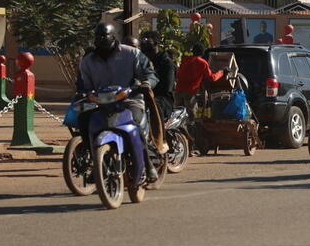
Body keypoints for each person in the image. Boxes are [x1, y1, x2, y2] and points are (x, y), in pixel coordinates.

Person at [79, 22, 160, 182]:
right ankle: (96, 162)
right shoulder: (87, 61)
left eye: (104, 36)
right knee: (83, 120)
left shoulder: (132, 54)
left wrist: (146, 84)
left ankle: (148, 164)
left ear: (113, 36)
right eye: (97, 37)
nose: (100, 40)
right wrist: (84, 92)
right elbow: (83, 84)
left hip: (129, 100)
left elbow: (149, 74)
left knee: (135, 124)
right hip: (100, 103)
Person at [174, 44, 222, 119]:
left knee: (176, 115)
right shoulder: (202, 63)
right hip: (190, 92)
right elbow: (212, 78)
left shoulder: (185, 59)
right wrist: (221, 72)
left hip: (178, 90)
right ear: (202, 53)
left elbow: (178, 73)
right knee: (191, 117)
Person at [138, 31, 177, 118]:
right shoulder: (139, 61)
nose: (143, 43)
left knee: (150, 109)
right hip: (140, 98)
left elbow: (167, 87)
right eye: (142, 40)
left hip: (162, 100)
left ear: (156, 43)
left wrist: (148, 85)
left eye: (147, 40)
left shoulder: (166, 62)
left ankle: (158, 131)